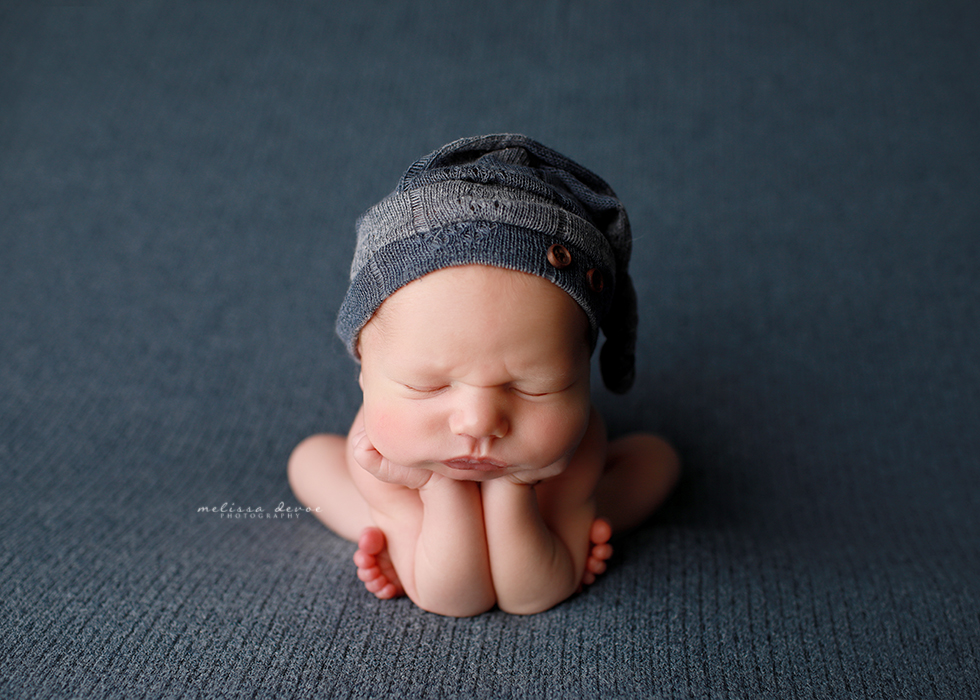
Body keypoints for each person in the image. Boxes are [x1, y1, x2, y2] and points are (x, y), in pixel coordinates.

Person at [288, 134, 679, 617]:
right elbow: (455, 597)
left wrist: (516, 491)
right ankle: (382, 524)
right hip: (403, 486)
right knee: (311, 460)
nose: (477, 421)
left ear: (582, 374)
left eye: (532, 386)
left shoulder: (572, 451)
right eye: (427, 386)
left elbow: (530, 594)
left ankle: (577, 513)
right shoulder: (382, 453)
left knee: (657, 459)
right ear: (363, 370)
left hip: (551, 482)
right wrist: (435, 489)